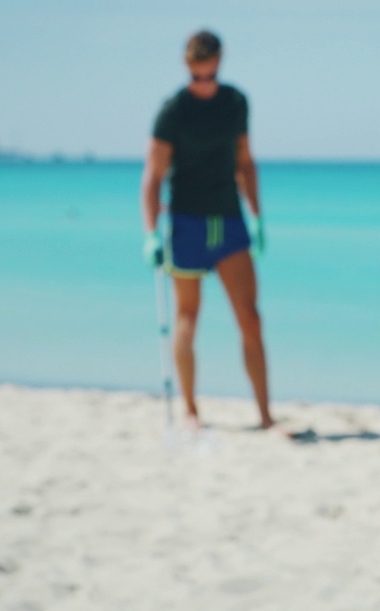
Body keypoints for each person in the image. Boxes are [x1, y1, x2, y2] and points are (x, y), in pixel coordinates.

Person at [141, 29, 274, 431]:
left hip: (229, 222)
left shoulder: (235, 102)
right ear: (187, 68)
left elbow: (245, 163)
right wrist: (150, 233)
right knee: (187, 315)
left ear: (219, 64)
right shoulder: (173, 111)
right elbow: (153, 176)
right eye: (197, 77)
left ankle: (266, 416)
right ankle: (190, 411)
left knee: (250, 318)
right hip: (186, 223)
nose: (204, 84)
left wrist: (257, 215)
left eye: (209, 76)